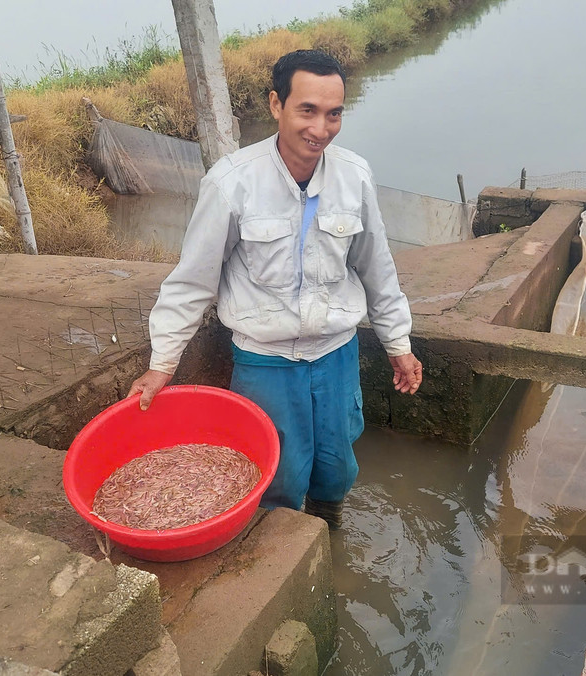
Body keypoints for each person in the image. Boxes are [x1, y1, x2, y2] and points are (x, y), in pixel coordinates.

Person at [127, 49, 423, 529]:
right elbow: (193, 280)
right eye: (307, 110)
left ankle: (329, 530)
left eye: (334, 114)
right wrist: (162, 364)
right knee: (277, 474)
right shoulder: (232, 183)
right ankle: (282, 547)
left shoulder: (355, 177)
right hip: (264, 359)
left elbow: (377, 271)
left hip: (336, 354)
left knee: (337, 464)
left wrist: (398, 345)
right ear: (275, 105)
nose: (320, 129)